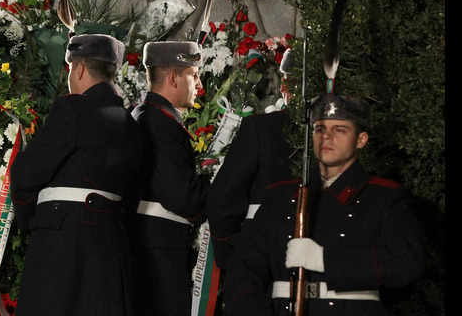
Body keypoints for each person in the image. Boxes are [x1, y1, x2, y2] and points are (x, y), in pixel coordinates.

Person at [222, 93, 424, 315]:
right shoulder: (280, 197)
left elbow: (406, 262)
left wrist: (325, 261)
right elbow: (242, 270)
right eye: (320, 129)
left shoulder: (385, 197)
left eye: (339, 129)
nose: (327, 137)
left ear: (361, 140)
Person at [10, 33, 146, 316]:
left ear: (79, 69)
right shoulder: (132, 125)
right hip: (111, 246)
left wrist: (32, 222)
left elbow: (25, 173)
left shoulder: (73, 109)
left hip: (63, 246)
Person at [126, 41, 209, 316]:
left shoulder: (149, 114)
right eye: (193, 75)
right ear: (173, 78)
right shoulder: (159, 123)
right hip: (160, 252)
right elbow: (181, 196)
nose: (199, 84)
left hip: (154, 246)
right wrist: (216, 186)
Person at [207, 49, 295, 274]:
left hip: (262, 251)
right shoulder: (342, 133)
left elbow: (222, 199)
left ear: (283, 88)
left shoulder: (261, 129)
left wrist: (230, 257)